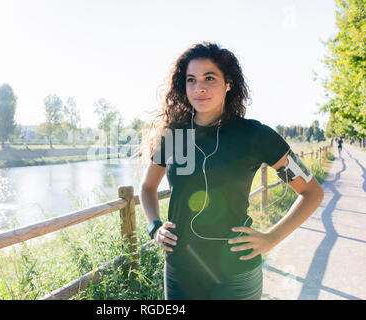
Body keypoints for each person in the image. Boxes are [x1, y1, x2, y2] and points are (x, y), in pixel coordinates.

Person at [138, 42, 324, 300]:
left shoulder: (256, 136)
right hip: (181, 270)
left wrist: (271, 238)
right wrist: (154, 227)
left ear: (229, 83)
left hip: (236, 273)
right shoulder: (173, 136)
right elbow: (147, 188)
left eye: (209, 78)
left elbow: (311, 192)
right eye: (191, 80)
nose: (199, 87)